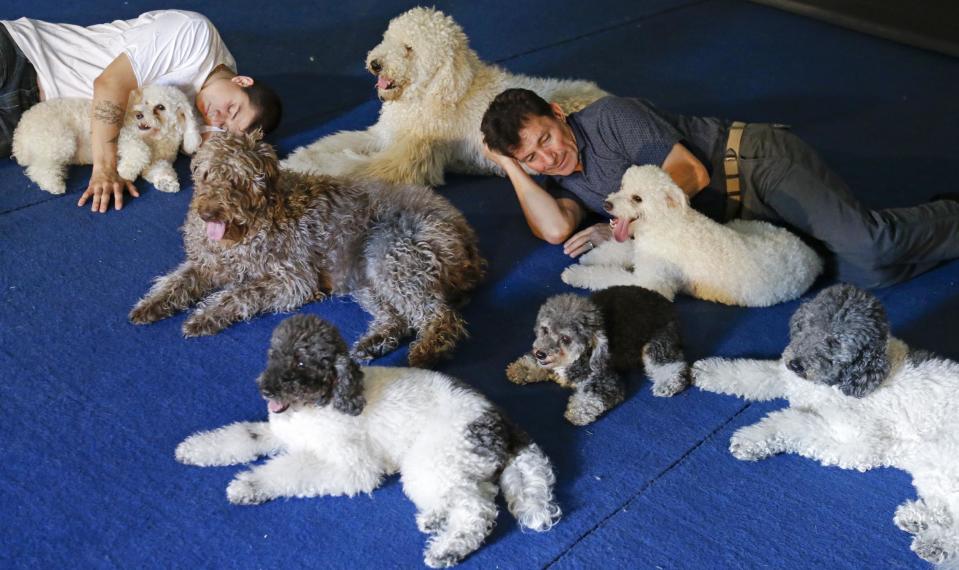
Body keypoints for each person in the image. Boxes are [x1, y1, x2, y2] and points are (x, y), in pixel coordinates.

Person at [480, 88, 959, 288]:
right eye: (531, 157)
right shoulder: (554, 174)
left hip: (751, 163)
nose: (549, 157)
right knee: (867, 274)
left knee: (870, 244)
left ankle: (945, 218)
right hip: (733, 218)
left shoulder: (610, 117)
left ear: (558, 114)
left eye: (546, 138)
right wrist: (511, 166)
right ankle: (937, 218)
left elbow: (691, 173)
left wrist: (622, 227)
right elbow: (554, 230)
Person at [1, 10, 282, 213]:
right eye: (232, 108)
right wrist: (105, 167)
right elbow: (109, 84)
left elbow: (197, 150)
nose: (218, 116)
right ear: (241, 81)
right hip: (22, 58)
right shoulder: (195, 35)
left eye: (226, 125)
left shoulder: (201, 115)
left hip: (32, 116)